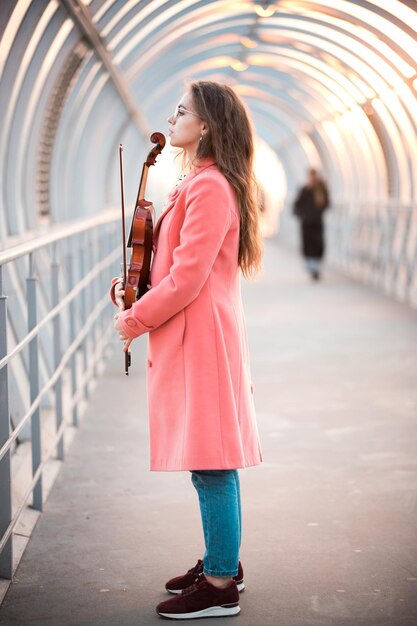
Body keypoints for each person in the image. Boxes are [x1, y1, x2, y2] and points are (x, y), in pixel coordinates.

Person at [111, 80, 263, 620]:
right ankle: (224, 561)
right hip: (195, 336)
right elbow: (164, 268)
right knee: (209, 458)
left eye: (182, 111)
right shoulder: (196, 182)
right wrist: (132, 289)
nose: (172, 118)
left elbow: (187, 280)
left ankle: (221, 583)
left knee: (211, 459)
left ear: (206, 126)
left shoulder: (210, 188)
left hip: (202, 340)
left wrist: (133, 319)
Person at [293, 168, 330, 280]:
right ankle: (312, 267)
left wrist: (318, 212)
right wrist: (303, 215)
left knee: (318, 244)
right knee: (308, 244)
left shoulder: (321, 190)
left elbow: (326, 203)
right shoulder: (305, 189)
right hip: (306, 223)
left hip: (317, 222)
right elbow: (297, 205)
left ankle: (316, 267)